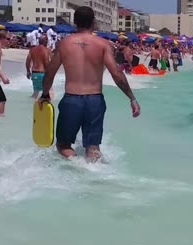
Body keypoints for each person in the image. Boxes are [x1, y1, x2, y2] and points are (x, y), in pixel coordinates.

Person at [39, 6, 140, 162]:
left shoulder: (64, 44)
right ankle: (94, 175)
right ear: (94, 22)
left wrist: (45, 94)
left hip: (71, 100)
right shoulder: (103, 44)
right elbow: (117, 74)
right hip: (95, 100)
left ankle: (76, 165)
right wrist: (132, 98)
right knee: (93, 148)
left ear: (75, 22)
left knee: (64, 145)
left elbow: (50, 73)